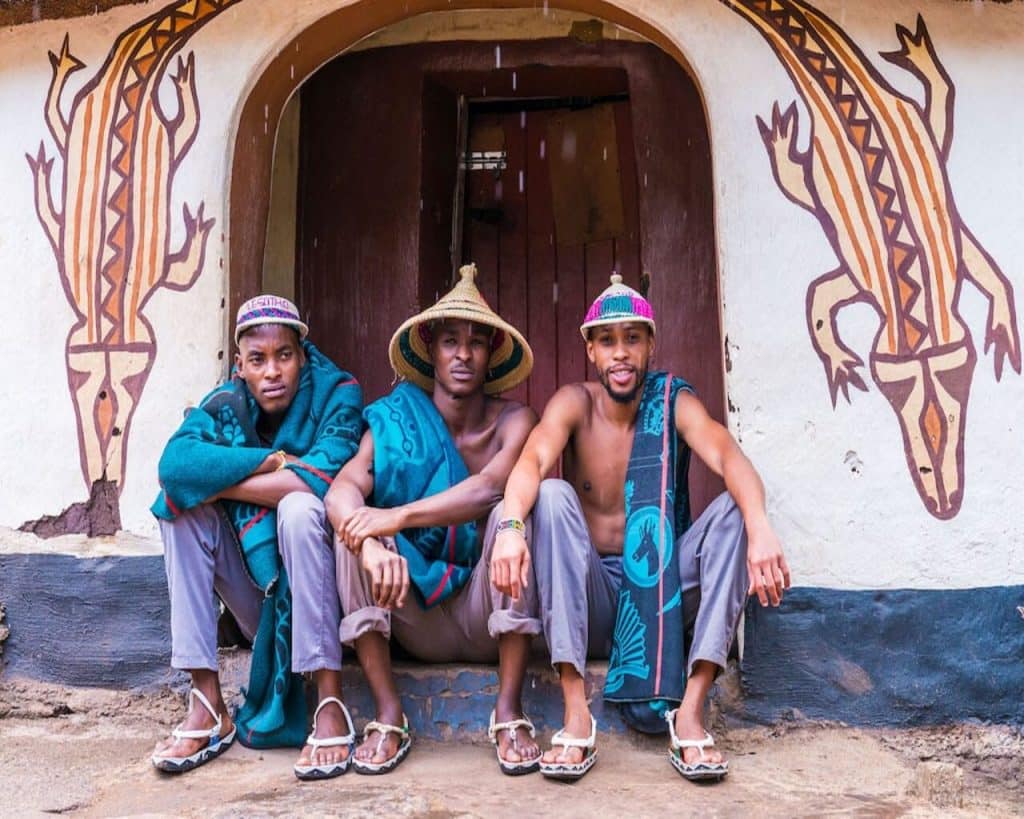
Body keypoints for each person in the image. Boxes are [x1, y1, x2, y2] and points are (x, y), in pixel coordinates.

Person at [490, 274, 791, 781]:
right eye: (607, 340)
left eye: (632, 338)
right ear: (591, 350)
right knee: (555, 494)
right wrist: (511, 525)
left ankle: (692, 710)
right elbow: (532, 461)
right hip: (594, 595)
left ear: (651, 344)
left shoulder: (672, 402)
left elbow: (725, 452)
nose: (621, 353)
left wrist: (760, 527)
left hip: (665, 592)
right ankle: (575, 710)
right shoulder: (575, 404)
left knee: (738, 513)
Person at [323, 263, 541, 775]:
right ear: (431, 351)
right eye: (450, 341)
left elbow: (489, 488)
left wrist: (393, 519)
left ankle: (508, 712)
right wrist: (372, 544)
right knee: (351, 531)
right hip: (411, 606)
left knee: (515, 516)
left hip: (488, 604)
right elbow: (342, 490)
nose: (463, 355)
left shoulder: (516, 421)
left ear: (491, 355)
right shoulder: (397, 418)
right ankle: (388, 714)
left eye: (476, 343)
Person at [149, 294, 363, 775]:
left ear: (302, 357)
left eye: (284, 356)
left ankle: (329, 700)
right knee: (179, 509)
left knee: (299, 506)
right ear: (240, 367)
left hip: (330, 598)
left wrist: (221, 482)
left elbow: (315, 480)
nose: (273, 372)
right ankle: (207, 705)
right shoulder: (226, 404)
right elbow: (175, 469)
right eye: (259, 360)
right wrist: (267, 461)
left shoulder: (337, 393)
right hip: (259, 592)